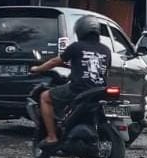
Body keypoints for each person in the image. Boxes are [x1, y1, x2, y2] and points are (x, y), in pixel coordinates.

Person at [29, 14, 110, 148]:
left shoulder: (76, 47)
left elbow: (56, 61)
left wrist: (38, 68)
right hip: (99, 90)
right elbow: (103, 69)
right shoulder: (106, 50)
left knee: (45, 97)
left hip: (78, 89)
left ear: (80, 30)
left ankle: (52, 137)